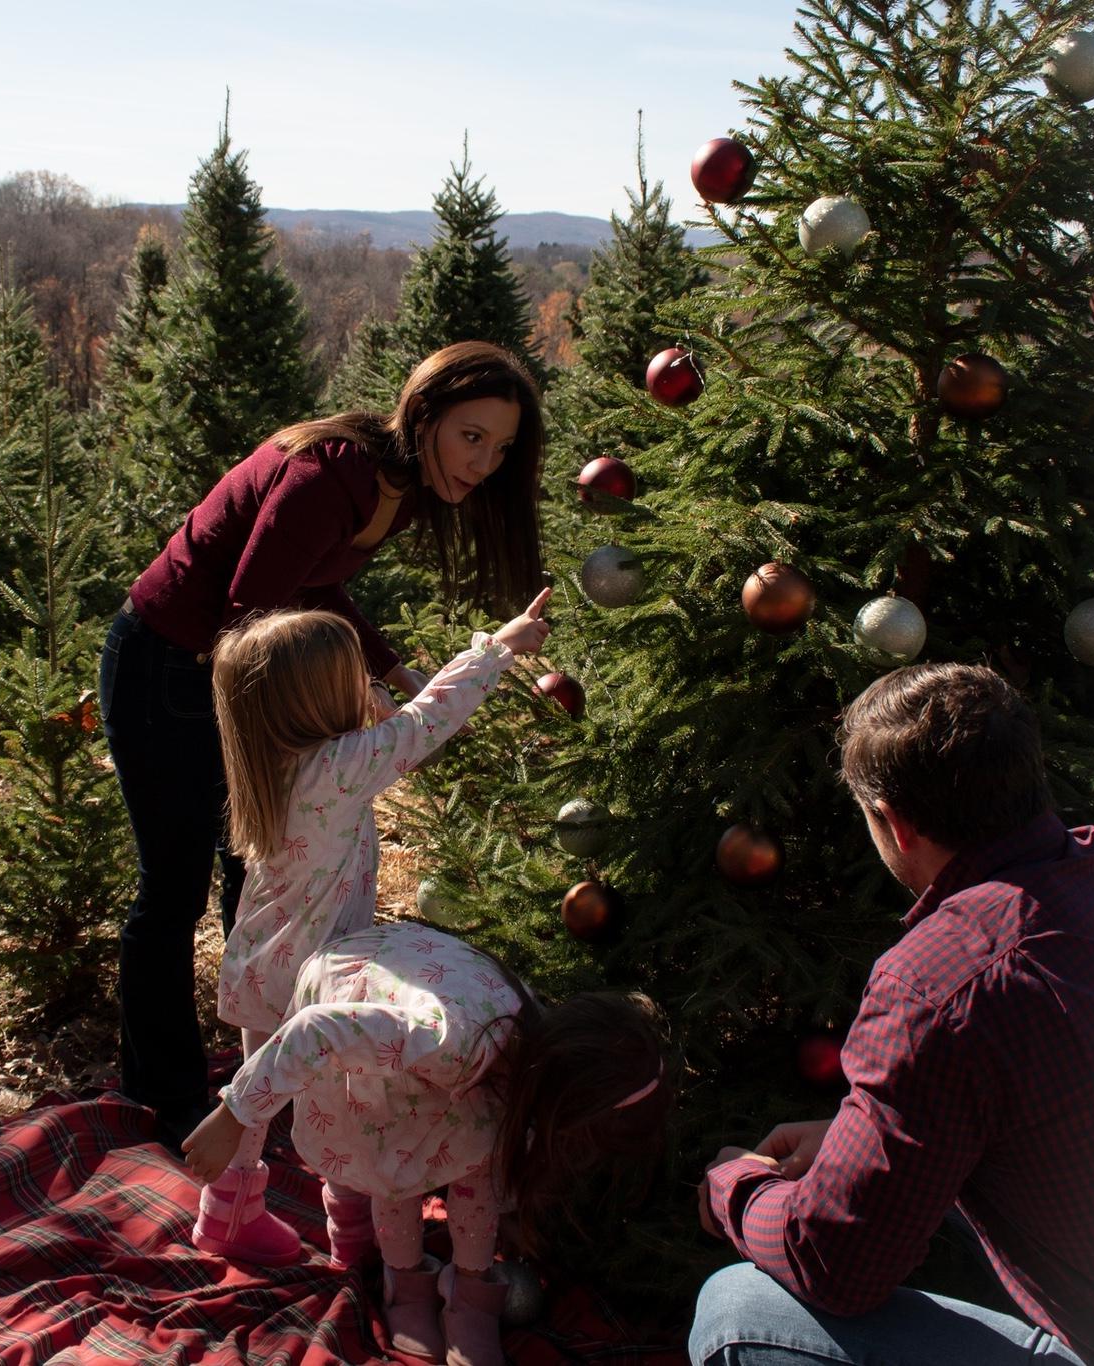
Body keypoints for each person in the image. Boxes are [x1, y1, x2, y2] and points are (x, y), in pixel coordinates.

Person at [98, 342, 544, 1146]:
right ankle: (164, 1101)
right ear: (426, 415)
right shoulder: (330, 474)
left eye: (502, 447)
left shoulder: (399, 490)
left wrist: (393, 668)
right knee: (172, 888)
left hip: (240, 673)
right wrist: (350, 691)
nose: (484, 463)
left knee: (259, 876)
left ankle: (260, 1094)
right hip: (170, 664)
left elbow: (314, 580)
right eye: (471, 436)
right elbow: (253, 604)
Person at [690, 663, 1094, 1366]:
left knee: (736, 1312)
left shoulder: (938, 982)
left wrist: (734, 1186)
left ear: (895, 826)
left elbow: (836, 1266)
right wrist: (854, 1138)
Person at [183, 922, 669, 1366]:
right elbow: (316, 1030)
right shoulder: (451, 1043)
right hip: (352, 990)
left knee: (476, 1161)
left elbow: (490, 1162)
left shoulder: (535, 1059)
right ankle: (407, 1286)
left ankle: (471, 1301)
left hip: (438, 1050)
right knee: (392, 1162)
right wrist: (235, 1113)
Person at [210, 589, 551, 1069]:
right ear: (315, 700)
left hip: (260, 962)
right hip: (313, 975)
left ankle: (247, 1144)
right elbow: (428, 718)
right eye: (352, 678)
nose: (366, 685)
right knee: (297, 1093)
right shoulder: (337, 769)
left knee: (255, 1097)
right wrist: (498, 646)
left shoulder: (273, 763)